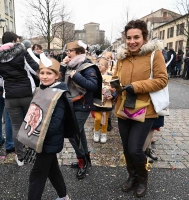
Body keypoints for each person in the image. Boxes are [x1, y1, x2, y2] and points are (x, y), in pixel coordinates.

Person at [112, 20, 168, 197]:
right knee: (127, 148)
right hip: (123, 109)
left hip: (146, 110)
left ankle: (143, 179)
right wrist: (111, 89)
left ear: (144, 37)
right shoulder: (122, 56)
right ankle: (132, 176)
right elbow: (115, 78)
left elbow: (162, 80)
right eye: (129, 38)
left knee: (136, 149)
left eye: (136, 37)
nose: (132, 41)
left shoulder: (154, 54)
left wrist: (136, 86)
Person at [24, 54, 78, 200]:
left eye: (49, 73)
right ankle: (63, 196)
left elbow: (54, 125)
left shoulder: (58, 94)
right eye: (42, 73)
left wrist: (34, 133)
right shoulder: (41, 89)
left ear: (57, 76)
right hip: (42, 140)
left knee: (37, 175)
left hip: (48, 140)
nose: (45, 76)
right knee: (52, 170)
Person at [0, 31, 39, 166]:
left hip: (10, 96)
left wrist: (5, 83)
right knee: (31, 122)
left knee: (16, 126)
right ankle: (34, 149)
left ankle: (20, 157)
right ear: (14, 40)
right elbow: (36, 69)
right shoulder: (22, 52)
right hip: (27, 93)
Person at [60, 40, 102, 179]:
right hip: (71, 104)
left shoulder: (87, 66)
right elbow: (60, 81)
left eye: (69, 51)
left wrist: (76, 76)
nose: (67, 53)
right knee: (79, 133)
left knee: (72, 133)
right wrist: (62, 65)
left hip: (82, 105)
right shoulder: (71, 64)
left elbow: (92, 86)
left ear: (78, 52)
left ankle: (82, 160)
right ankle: (85, 159)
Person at [92, 52, 114, 143]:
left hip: (107, 102)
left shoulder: (110, 76)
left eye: (102, 65)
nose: (100, 66)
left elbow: (115, 88)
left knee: (105, 119)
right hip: (97, 101)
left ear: (106, 67)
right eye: (99, 64)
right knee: (97, 118)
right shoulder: (95, 75)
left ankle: (104, 134)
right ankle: (96, 132)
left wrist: (113, 95)